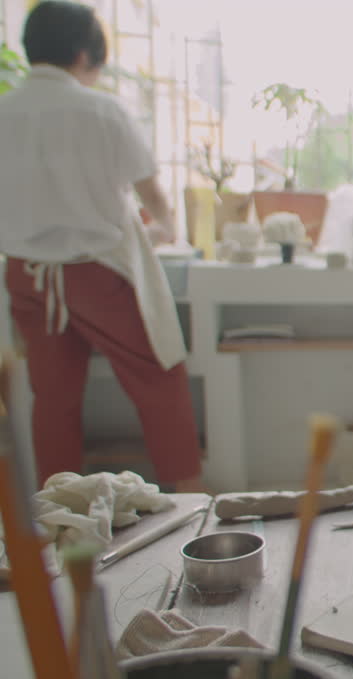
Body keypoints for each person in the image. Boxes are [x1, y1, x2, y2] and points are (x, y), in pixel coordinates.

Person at [0, 1, 203, 492]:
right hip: (98, 274)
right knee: (160, 381)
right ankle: (192, 500)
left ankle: (61, 517)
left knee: (53, 399)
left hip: (27, 275)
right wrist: (164, 228)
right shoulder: (101, 109)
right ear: (83, 53)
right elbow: (153, 199)